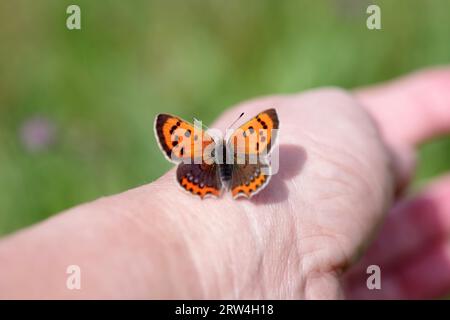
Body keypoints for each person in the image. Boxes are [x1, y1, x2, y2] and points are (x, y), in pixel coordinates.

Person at [0, 67, 449, 299]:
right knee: (237, 175)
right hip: (247, 175)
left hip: (210, 174)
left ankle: (210, 183)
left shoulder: (199, 143)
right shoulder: (248, 136)